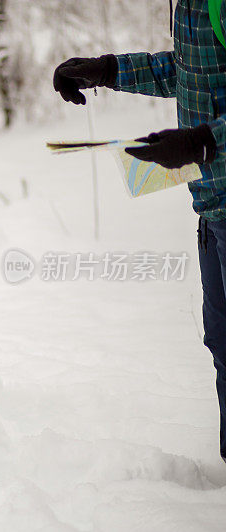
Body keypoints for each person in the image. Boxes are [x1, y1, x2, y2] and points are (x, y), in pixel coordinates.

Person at [52, 0, 226, 463]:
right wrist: (107, 70)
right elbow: (191, 71)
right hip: (213, 206)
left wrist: (207, 141)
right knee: (222, 344)